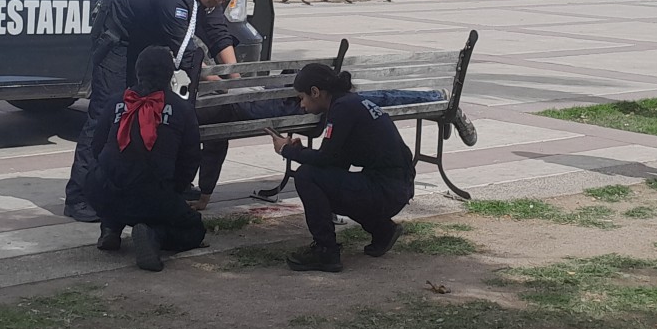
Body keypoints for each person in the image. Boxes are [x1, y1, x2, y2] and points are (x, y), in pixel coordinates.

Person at [64, 0, 240, 222]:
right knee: (105, 112)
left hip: (144, 41)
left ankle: (145, 185)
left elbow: (217, 33)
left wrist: (235, 76)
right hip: (117, 40)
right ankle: (78, 196)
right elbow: (188, 58)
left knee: (155, 111)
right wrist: (222, 83)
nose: (219, 2)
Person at [191, 89, 476, 211]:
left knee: (367, 100)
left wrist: (204, 194)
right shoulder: (207, 107)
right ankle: (438, 101)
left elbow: (213, 145)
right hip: (275, 100)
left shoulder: (202, 112)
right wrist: (204, 194)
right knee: (372, 99)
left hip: (281, 103)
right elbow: (214, 145)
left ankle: (438, 100)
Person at [268, 64, 417, 272]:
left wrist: (287, 151)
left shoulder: (342, 108)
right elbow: (335, 162)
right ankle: (382, 230)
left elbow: (326, 159)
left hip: (386, 189)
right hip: (395, 186)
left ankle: (325, 250)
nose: (301, 105)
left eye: (301, 98)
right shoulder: (350, 103)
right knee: (324, 179)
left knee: (306, 176)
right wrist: (302, 152)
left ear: (315, 92)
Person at [84, 46, 206, 272]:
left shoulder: (115, 102)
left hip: (103, 192)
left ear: (137, 72)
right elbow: (190, 159)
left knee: (118, 179)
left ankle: (111, 226)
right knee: (193, 229)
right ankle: (153, 234)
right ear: (170, 75)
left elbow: (96, 146)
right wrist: (174, 192)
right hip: (152, 197)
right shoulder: (181, 109)